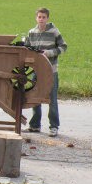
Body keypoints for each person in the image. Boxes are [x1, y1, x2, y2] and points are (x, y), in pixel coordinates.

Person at [26, 7, 67, 136]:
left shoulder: (54, 32)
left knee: (52, 99)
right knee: (35, 96)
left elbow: (63, 46)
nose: (41, 19)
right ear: (36, 18)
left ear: (47, 18)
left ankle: (54, 127)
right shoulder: (31, 32)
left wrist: (49, 53)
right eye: (39, 17)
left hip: (51, 70)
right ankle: (34, 125)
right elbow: (27, 48)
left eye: (44, 17)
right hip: (36, 70)